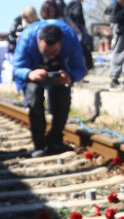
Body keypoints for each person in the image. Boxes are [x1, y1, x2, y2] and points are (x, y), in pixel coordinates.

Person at [12, 21, 87, 158]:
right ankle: (39, 144)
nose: (50, 56)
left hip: (59, 72)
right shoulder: (27, 37)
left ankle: (55, 140)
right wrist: (29, 74)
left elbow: (80, 68)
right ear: (38, 40)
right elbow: (17, 67)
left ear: (62, 42)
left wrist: (70, 77)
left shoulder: (71, 38)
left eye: (55, 52)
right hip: (33, 72)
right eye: (46, 52)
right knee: (34, 97)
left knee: (63, 97)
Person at [65, 0, 94, 72]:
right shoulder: (77, 4)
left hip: (69, 32)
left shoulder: (67, 6)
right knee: (82, 52)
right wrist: (82, 30)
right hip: (78, 32)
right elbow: (78, 17)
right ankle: (82, 71)